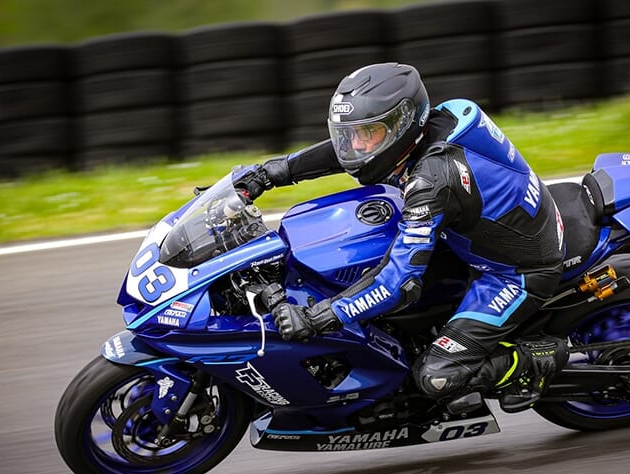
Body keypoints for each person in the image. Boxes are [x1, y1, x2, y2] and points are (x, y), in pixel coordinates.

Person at [237, 62, 568, 414]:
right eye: (352, 135)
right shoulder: (439, 121)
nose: (356, 147)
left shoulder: (430, 182)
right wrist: (271, 172)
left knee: (435, 376)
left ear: (403, 124)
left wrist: (321, 317)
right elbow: (349, 151)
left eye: (370, 134)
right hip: (477, 231)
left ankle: (534, 361)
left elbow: (396, 281)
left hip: (514, 272)